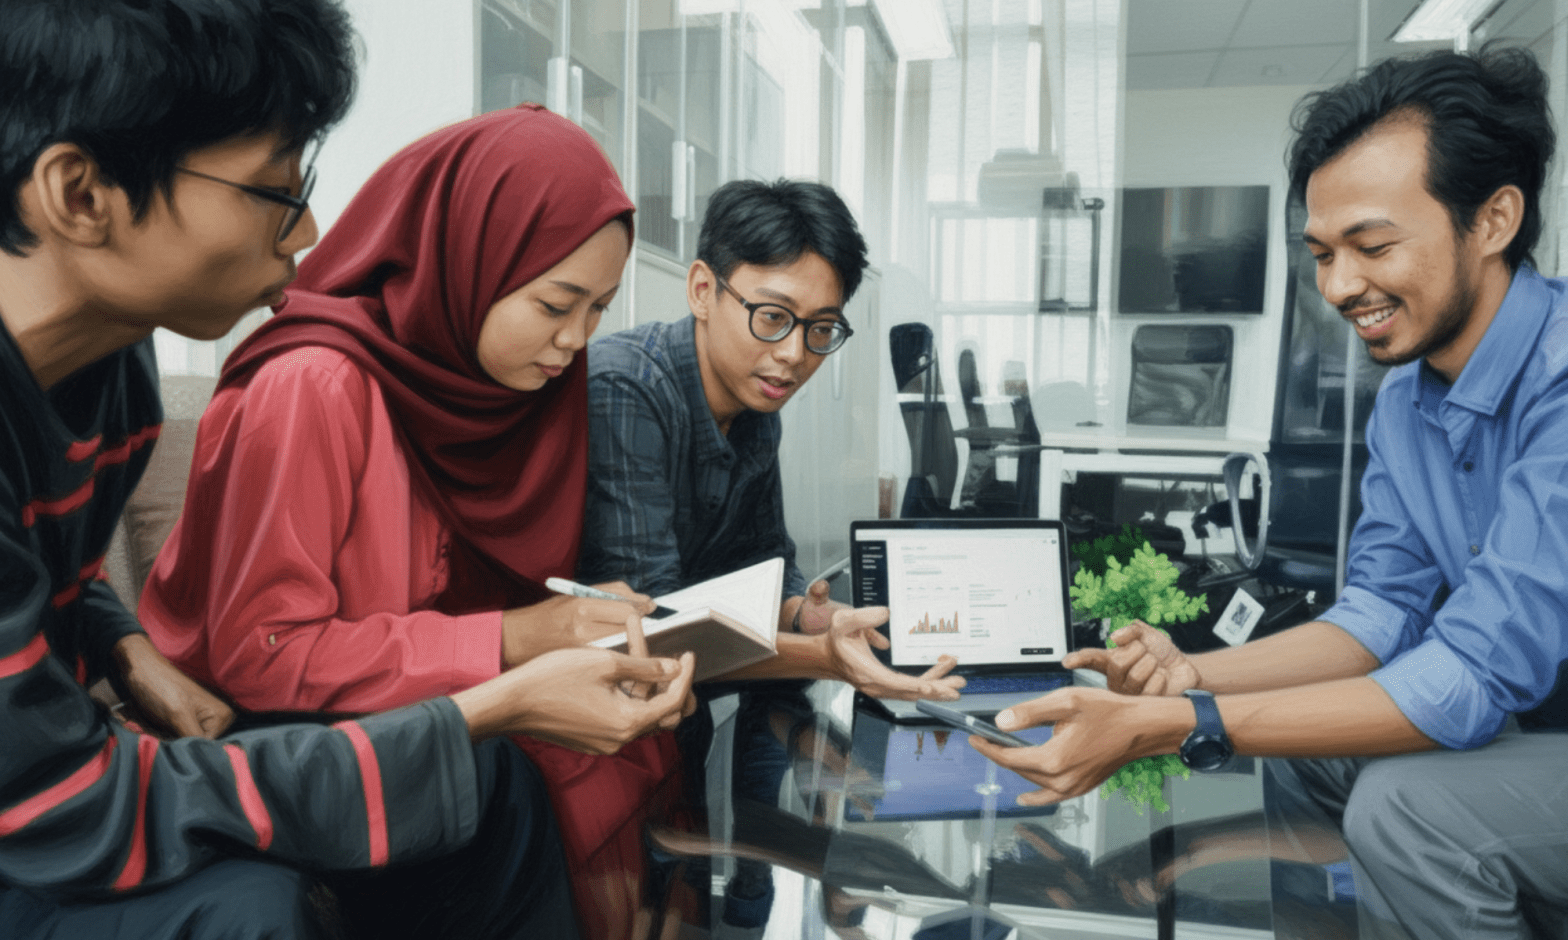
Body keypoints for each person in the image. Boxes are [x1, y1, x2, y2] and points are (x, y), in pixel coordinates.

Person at [0, 2, 694, 939]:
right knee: (264, 906)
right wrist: (494, 696)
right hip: (65, 804)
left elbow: (56, 576)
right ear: (82, 194)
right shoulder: (312, 382)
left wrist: (125, 647)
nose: (309, 230)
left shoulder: (108, 367)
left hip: (65, 778)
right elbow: (73, 803)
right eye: (274, 192)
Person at [972, 46, 1568, 940]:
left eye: (1372, 247)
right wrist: (1189, 675)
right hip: (1540, 721)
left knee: (1407, 808)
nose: (1337, 287)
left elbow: (1479, 674)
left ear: (1493, 219)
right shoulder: (1408, 397)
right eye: (1323, 253)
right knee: (1304, 745)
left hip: (1530, 715)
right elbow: (1379, 614)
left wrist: (1175, 720)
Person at [578, 178, 965, 930]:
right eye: (772, 317)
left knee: (759, 857)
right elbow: (655, 627)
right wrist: (822, 656)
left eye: (821, 328)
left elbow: (764, 559)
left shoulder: (756, 408)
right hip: (609, 724)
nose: (793, 356)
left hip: (698, 716)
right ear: (701, 288)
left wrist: (809, 613)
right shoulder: (626, 388)